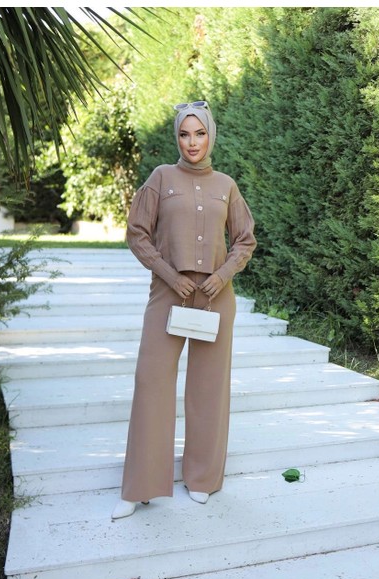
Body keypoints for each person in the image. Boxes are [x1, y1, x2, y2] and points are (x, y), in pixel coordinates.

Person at [112, 100, 257, 519]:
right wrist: (168, 274)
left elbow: (245, 239)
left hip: (214, 296)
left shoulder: (226, 185)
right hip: (168, 292)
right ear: (177, 137)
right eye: (184, 134)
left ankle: (202, 478)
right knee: (152, 382)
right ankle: (140, 486)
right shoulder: (161, 178)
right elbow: (137, 233)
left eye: (200, 133)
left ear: (211, 135)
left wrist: (223, 275)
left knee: (209, 388)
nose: (192, 142)